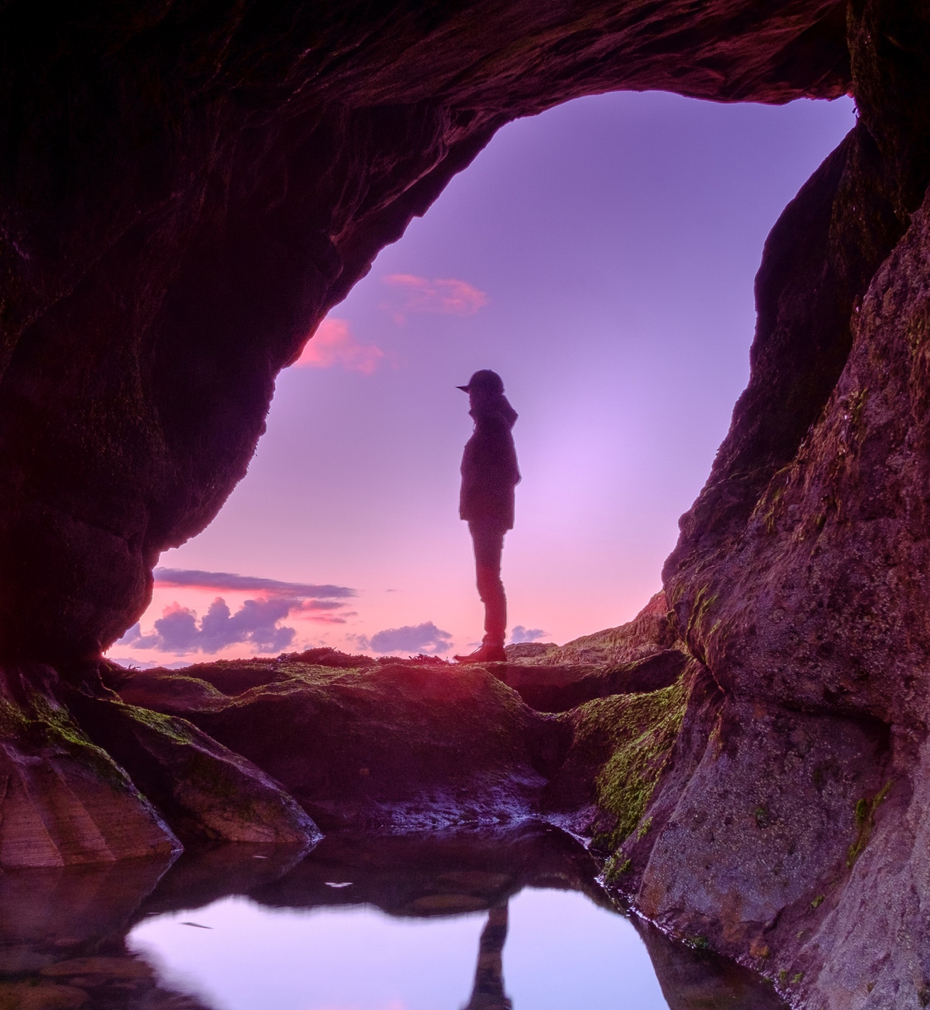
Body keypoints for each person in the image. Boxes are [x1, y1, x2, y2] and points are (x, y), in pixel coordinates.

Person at [454, 370, 520, 664]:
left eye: (472, 393)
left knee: (488, 577)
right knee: (487, 576)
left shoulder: (492, 424)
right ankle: (492, 644)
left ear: (484, 395)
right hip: (487, 511)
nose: (469, 400)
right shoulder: (492, 423)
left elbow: (509, 473)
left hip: (487, 512)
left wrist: (482, 499)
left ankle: (493, 645)